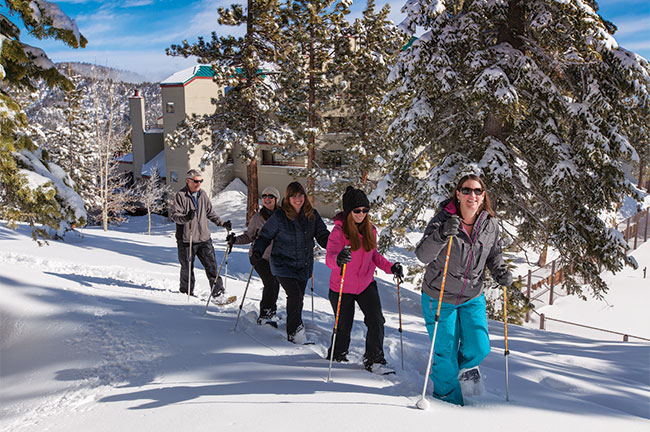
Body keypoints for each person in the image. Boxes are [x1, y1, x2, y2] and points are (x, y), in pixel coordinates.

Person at [415, 174, 513, 406]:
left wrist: (500, 271)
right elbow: (422, 256)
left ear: (483, 196)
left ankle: (448, 370)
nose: (473, 195)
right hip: (439, 296)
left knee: (479, 347)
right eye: (467, 190)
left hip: (472, 296)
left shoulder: (490, 223)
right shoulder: (443, 219)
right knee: (445, 352)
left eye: (478, 191)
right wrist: (440, 235)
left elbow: (493, 253)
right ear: (457, 193)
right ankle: (448, 403)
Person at [325, 186, 404, 373]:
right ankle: (337, 357)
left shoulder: (371, 230)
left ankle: (374, 359)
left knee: (376, 320)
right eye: (357, 210)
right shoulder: (338, 232)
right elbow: (329, 258)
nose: (361, 214)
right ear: (348, 211)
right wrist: (338, 259)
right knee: (344, 326)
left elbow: (374, 255)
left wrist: (391, 267)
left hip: (365, 284)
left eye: (365, 210)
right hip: (342, 287)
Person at [252, 181, 330, 344]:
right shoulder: (280, 217)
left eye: (300, 195)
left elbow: (322, 235)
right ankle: (294, 332)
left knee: (298, 297)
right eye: (293, 196)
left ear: (305, 196)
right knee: (294, 295)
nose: (298, 199)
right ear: (288, 198)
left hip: (303, 265)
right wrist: (258, 251)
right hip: (282, 264)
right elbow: (265, 236)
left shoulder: (312, 215)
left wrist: (334, 245)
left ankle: (294, 326)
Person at [170, 169, 232, 301]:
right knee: (187, 269)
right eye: (196, 181)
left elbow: (210, 213)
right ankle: (186, 293)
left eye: (200, 181)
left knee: (212, 267)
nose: (199, 184)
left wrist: (222, 223)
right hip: (186, 239)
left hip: (204, 238)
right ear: (188, 181)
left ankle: (218, 293)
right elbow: (175, 216)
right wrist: (186, 217)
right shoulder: (181, 196)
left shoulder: (202, 194)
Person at [227, 186, 282, 326]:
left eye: (271, 196)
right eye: (264, 196)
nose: (267, 199)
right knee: (270, 283)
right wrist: (234, 240)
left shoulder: (282, 215)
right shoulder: (258, 217)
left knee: (276, 285)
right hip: (259, 256)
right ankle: (265, 315)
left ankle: (271, 312)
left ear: (276, 199)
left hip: (276, 258)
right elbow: (249, 236)